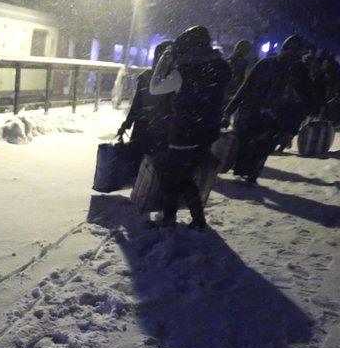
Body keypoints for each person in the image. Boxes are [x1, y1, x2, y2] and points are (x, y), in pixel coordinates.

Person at [148, 25, 231, 230]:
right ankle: (195, 218)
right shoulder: (220, 68)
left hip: (184, 131)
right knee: (185, 174)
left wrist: (163, 61)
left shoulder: (184, 73)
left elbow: (155, 87)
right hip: (207, 130)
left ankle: (174, 217)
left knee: (174, 175)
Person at [222, 34, 318, 184]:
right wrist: (228, 110)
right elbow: (246, 87)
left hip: (270, 116)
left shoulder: (296, 70)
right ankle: (246, 172)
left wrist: (293, 127)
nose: (290, 53)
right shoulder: (268, 64)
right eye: (289, 49)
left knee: (259, 147)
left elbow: (302, 100)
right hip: (258, 113)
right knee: (250, 146)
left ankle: (249, 174)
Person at [118, 39, 174, 162]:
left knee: (136, 163)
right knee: (153, 169)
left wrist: (127, 123)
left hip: (142, 127)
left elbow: (137, 104)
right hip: (161, 131)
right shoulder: (173, 81)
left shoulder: (145, 77)